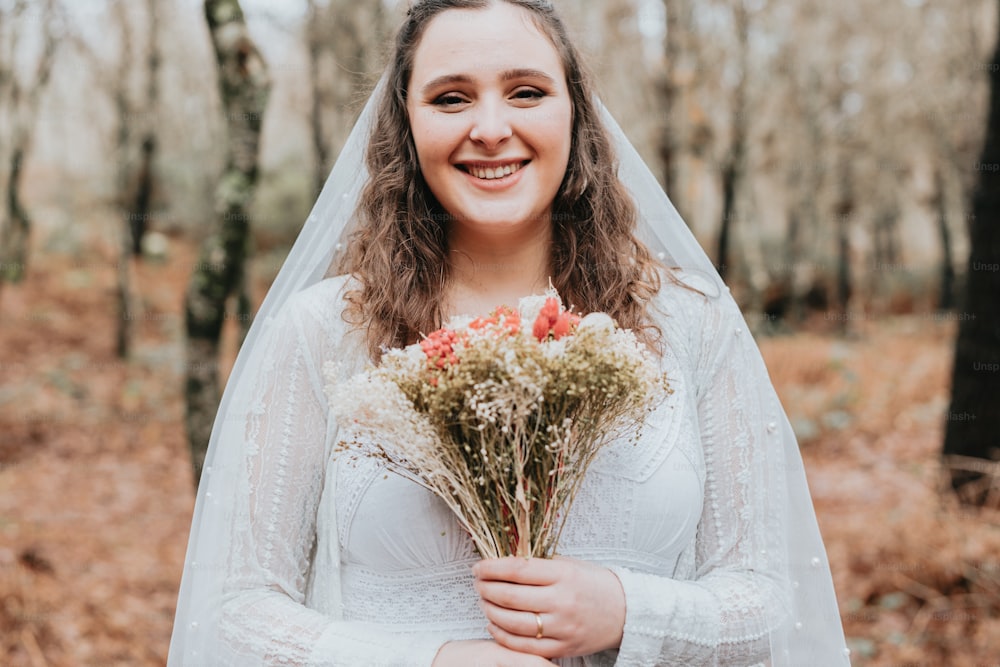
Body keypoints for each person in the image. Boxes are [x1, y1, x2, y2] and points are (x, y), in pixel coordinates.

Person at [168, 1, 851, 665]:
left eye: (526, 92)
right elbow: (237, 611)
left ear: (576, 114)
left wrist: (624, 608)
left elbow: (772, 601)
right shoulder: (322, 333)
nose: (491, 128)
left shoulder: (690, 323)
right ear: (405, 126)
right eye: (450, 98)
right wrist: (434, 660)